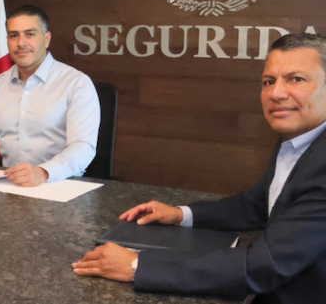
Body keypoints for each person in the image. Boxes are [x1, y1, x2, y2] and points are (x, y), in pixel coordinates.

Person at [73, 33, 326, 303]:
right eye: (269, 82)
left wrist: (138, 266)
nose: (276, 93)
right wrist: (181, 214)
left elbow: (266, 265)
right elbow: (257, 205)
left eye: (296, 79)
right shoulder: (298, 140)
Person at [0, 5, 100, 187]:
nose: (20, 43)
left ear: (46, 39)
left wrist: (44, 172)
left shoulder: (77, 84)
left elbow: (83, 147)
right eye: (13, 35)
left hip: (61, 186)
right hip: (11, 186)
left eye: (30, 34)